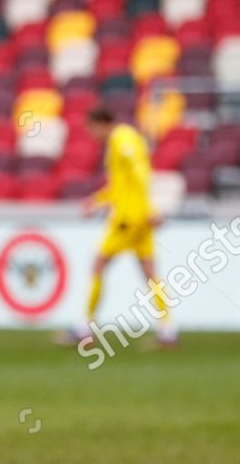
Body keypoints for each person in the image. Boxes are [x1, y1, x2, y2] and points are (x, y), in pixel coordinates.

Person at [73, 105, 176, 347]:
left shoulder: (122, 139)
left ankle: (85, 328)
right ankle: (169, 332)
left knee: (98, 264)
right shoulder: (121, 140)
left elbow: (140, 172)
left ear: (100, 124)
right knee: (150, 273)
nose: (91, 135)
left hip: (129, 217)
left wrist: (150, 208)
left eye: (91, 129)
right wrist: (97, 201)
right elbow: (121, 186)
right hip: (139, 215)